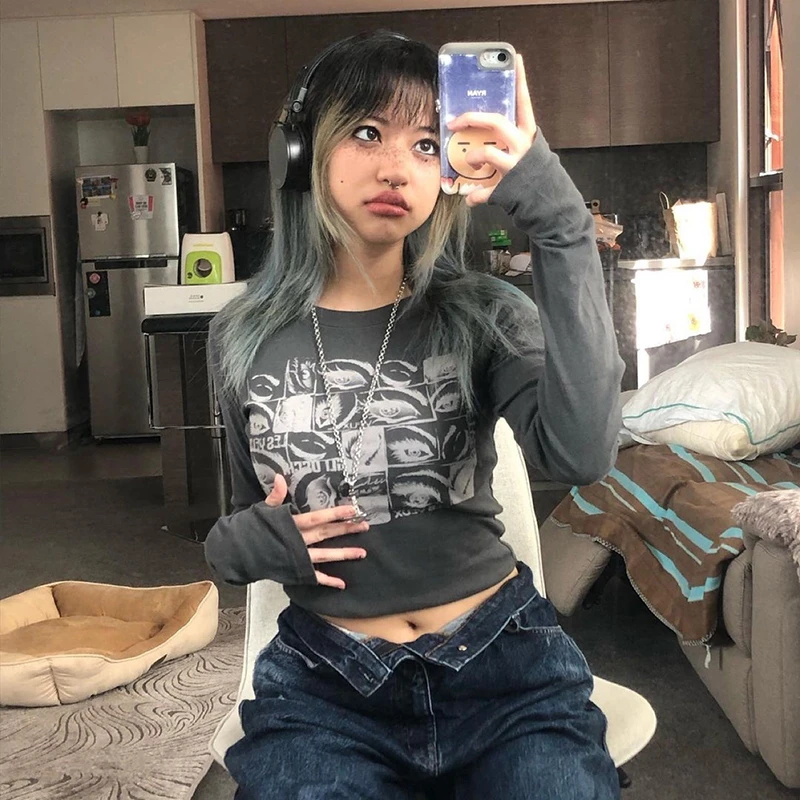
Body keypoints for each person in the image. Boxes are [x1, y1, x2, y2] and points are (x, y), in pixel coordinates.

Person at [205, 31, 625, 799]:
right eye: (368, 132)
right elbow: (233, 530)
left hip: (505, 671)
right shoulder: (242, 336)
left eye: (428, 144)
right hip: (324, 689)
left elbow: (583, 452)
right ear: (299, 153)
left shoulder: (485, 315)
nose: (397, 167)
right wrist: (253, 543)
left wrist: (562, 225)